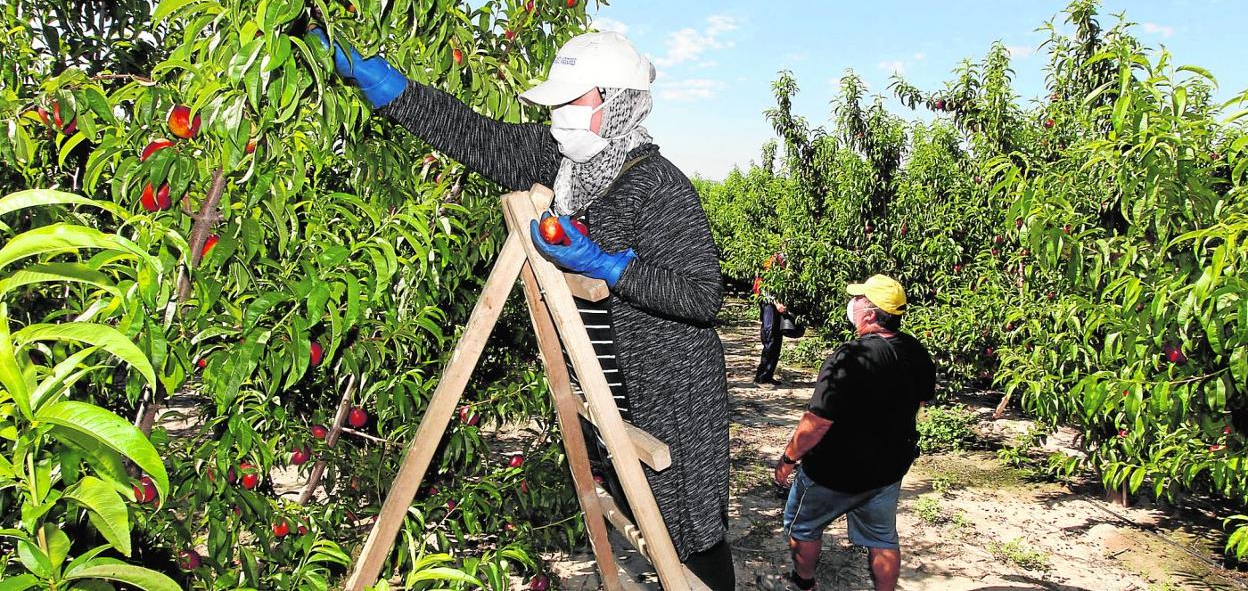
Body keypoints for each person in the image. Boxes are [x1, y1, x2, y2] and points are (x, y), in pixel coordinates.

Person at [311, 29, 735, 588]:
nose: (559, 113)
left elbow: (703, 296)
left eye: (572, 100)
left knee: (689, 532)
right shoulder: (559, 163)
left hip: (671, 391)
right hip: (611, 389)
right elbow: (475, 135)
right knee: (640, 516)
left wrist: (611, 266)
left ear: (618, 100)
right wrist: (391, 88)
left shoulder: (660, 187)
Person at [761, 274, 935, 591]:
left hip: (835, 471)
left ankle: (803, 583)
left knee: (802, 526)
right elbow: (920, 399)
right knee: (882, 536)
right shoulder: (916, 351)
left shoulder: (848, 357)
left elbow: (817, 423)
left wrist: (787, 459)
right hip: (888, 467)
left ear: (869, 313)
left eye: (858, 299)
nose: (852, 304)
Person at [753, 251, 787, 385]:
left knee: (777, 338)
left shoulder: (787, 261)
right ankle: (761, 376)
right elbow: (763, 286)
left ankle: (768, 375)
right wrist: (776, 302)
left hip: (777, 304)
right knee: (770, 336)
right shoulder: (771, 261)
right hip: (769, 304)